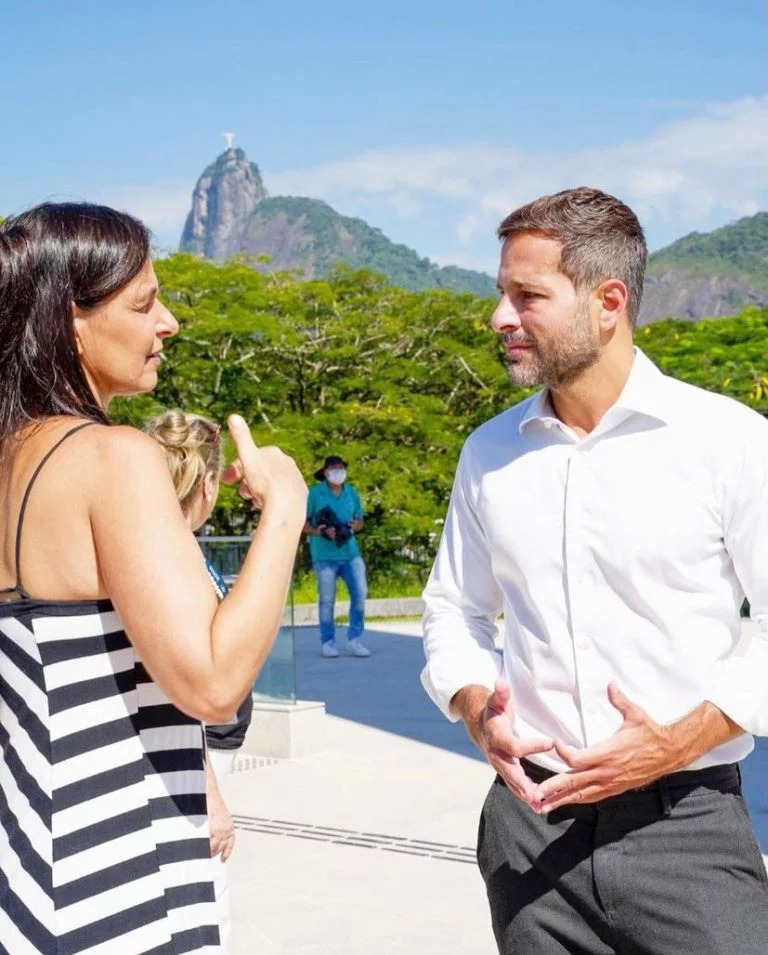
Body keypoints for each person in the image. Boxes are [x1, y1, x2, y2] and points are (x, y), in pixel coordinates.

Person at [421, 187, 768, 954]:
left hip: (687, 831)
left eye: (527, 295)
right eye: (500, 293)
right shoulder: (489, 451)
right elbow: (453, 609)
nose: (499, 318)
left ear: (607, 301)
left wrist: (678, 740)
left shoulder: (730, 442)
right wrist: (478, 707)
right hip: (527, 828)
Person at [0, 203, 307, 954]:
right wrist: (284, 511)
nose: (167, 321)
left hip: (30, 877)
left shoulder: (14, 458)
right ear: (68, 321)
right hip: (122, 881)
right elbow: (211, 682)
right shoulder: (113, 458)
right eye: (143, 303)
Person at [145, 409, 252, 953]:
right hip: (192, 758)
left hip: (201, 752)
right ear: (208, 483)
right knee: (206, 915)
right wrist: (210, 796)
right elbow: (176, 692)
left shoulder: (162, 546)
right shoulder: (171, 556)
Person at [303, 454, 369, 657]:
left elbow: (360, 521)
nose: (338, 472)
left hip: (350, 552)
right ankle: (328, 641)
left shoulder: (352, 493)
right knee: (327, 599)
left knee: (360, 594)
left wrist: (355, 525)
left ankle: (354, 638)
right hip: (324, 555)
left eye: (341, 468)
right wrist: (321, 532)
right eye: (334, 468)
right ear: (325, 472)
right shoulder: (315, 494)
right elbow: (302, 523)